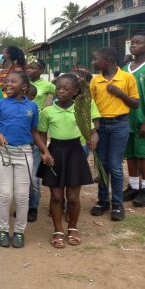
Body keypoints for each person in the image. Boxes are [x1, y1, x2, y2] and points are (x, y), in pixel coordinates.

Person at [0, 71, 52, 248]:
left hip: (24, 153)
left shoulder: (32, 107)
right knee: (5, 194)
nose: (8, 84)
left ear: (24, 86)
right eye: (6, 81)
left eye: (13, 81)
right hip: (2, 153)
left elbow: (34, 132)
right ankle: (3, 230)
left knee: (22, 195)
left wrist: (45, 150)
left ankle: (20, 232)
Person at [38, 74, 97, 248]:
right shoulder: (47, 111)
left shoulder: (81, 108)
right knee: (56, 196)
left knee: (73, 197)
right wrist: (45, 152)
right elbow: (41, 135)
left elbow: (93, 130)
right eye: (58, 88)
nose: (61, 91)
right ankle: (57, 230)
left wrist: (94, 139)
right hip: (55, 152)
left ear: (76, 91)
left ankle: (72, 227)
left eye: (66, 89)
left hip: (75, 153)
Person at [90, 46, 139, 221]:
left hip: (120, 124)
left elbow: (135, 103)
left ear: (108, 61)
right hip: (100, 125)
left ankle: (117, 204)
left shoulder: (127, 77)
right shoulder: (95, 81)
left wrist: (120, 93)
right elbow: (91, 106)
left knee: (115, 166)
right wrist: (92, 129)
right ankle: (103, 200)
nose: (93, 62)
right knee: (102, 165)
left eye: (96, 59)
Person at [122, 33, 145, 207]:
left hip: (143, 120)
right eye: (132, 43)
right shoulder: (125, 68)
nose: (133, 45)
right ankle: (133, 186)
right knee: (131, 155)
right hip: (126, 120)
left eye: (138, 42)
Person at [25, 57, 56, 222]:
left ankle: (33, 207)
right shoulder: (23, 83)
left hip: (37, 131)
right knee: (23, 177)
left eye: (34, 68)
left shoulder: (47, 85)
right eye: (28, 68)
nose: (30, 70)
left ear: (42, 70)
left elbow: (61, 94)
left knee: (33, 177)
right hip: (23, 132)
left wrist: (48, 109)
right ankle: (24, 205)